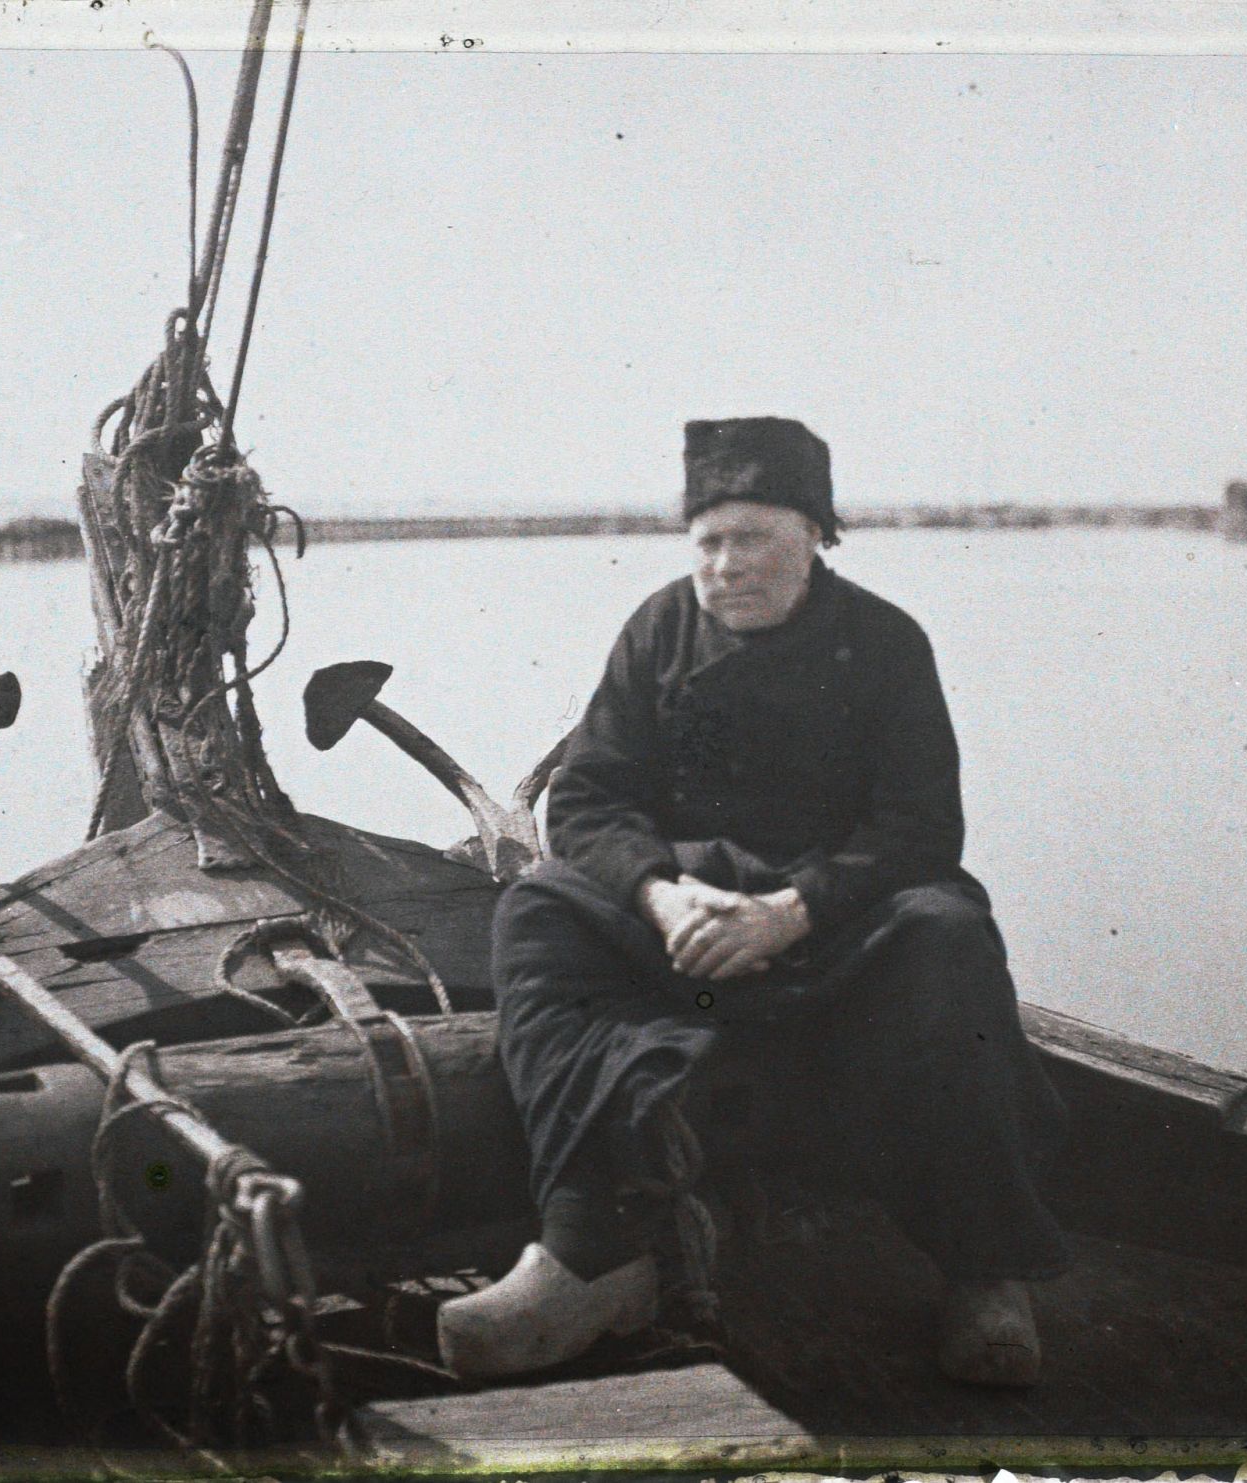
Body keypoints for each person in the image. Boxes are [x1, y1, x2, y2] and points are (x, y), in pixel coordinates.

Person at [437, 416, 1069, 1384]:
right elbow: (593, 796)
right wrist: (657, 895)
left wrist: (795, 909)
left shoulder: (886, 643)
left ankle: (981, 1272)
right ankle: (587, 1255)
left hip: (839, 930)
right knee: (540, 913)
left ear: (814, 535)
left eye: (752, 539)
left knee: (946, 934)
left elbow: (918, 828)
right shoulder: (656, 629)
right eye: (708, 542)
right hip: (686, 928)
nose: (725, 566)